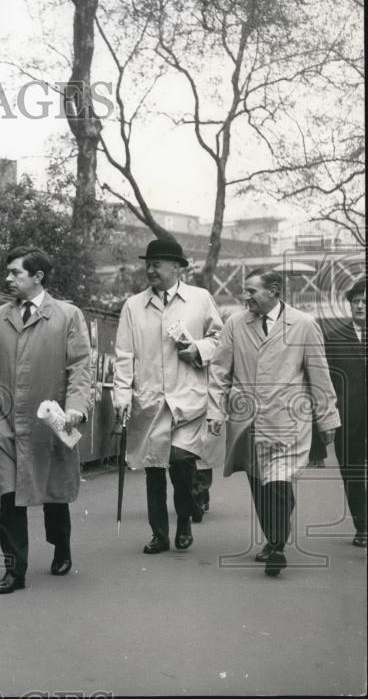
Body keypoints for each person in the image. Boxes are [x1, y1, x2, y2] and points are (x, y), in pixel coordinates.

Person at [0, 246, 93, 594]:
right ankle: (15, 572)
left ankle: (62, 545)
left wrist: (75, 407)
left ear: (37, 277)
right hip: (6, 423)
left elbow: (80, 369)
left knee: (54, 495)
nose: (8, 278)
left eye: (16, 273)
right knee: (9, 500)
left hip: (50, 423)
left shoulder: (68, 315)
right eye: (8, 272)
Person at [208, 270, 339, 576]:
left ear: (274, 291)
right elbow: (219, 372)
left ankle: (277, 546)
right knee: (259, 484)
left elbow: (319, 374)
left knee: (278, 482)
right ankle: (274, 537)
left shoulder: (304, 325)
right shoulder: (235, 324)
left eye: (251, 291)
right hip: (248, 421)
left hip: (289, 420)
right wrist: (215, 412)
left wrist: (327, 418)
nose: (245, 297)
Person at [113, 239, 223, 555]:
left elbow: (221, 339)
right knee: (154, 470)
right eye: (148, 263)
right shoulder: (133, 306)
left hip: (188, 399)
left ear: (177, 267)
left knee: (180, 460)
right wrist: (121, 398)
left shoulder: (200, 300)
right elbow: (124, 355)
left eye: (157, 264)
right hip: (150, 400)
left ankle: (185, 520)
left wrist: (199, 349)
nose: (150, 269)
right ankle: (160, 534)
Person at [323, 278, 366, 547]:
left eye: (365, 301)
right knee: (352, 473)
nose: (360, 305)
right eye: (356, 301)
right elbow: (325, 381)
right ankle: (362, 526)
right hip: (348, 420)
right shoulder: (334, 338)